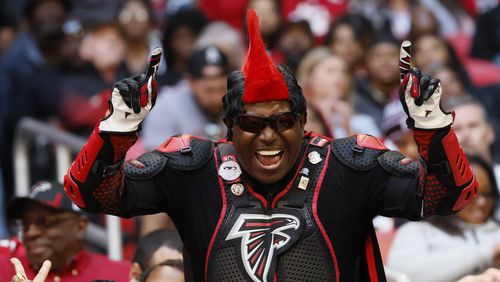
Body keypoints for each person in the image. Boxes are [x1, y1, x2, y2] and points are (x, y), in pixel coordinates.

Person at [63, 10, 477, 281]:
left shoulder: (349, 163)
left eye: (282, 122)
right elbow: (90, 193)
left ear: (303, 120)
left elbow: (448, 197)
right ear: (228, 126)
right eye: (250, 123)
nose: (268, 137)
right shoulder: (194, 165)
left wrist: (433, 131)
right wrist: (114, 132)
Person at [387, 155, 500, 282]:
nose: (482, 203)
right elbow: (403, 275)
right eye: (472, 194)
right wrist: (486, 252)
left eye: (488, 194)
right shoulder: (418, 231)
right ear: (448, 193)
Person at [0, 181, 130, 282]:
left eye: (45, 222)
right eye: (25, 224)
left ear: (80, 226)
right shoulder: (5, 267)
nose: (30, 233)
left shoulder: (122, 274)